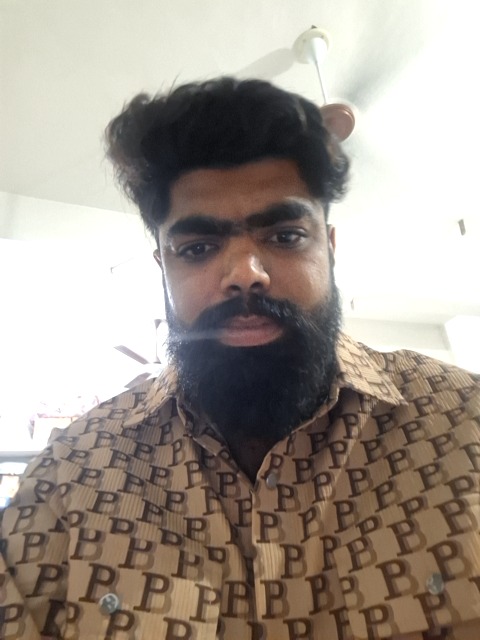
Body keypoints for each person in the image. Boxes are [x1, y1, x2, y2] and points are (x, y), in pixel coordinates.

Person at [1, 78, 479, 640]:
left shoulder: (465, 421)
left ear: (329, 248)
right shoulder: (70, 475)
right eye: (198, 248)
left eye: (285, 236)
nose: (246, 274)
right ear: (163, 268)